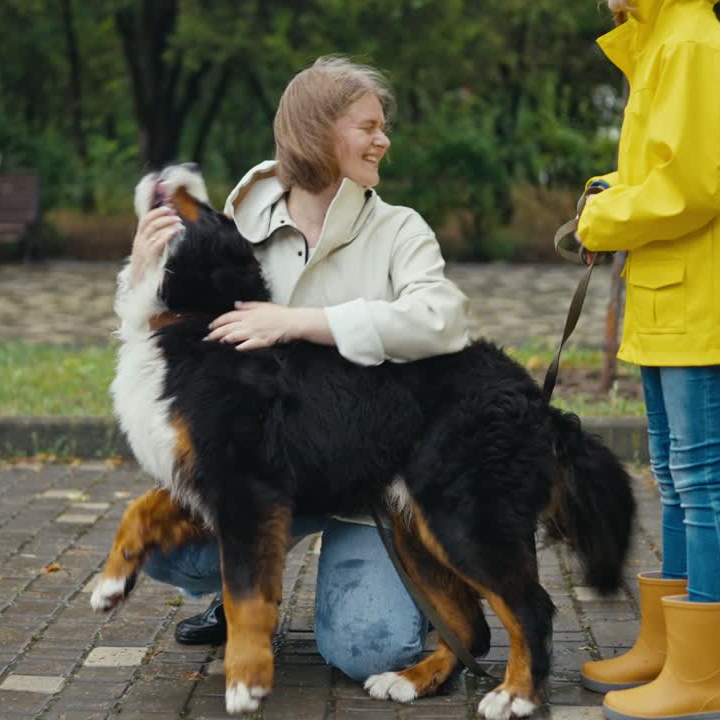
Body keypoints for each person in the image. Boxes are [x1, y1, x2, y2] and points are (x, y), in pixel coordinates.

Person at [125, 56, 469, 682]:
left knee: (371, 651)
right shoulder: (230, 229)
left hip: (363, 484)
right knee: (166, 548)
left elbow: (443, 320)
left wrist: (301, 322)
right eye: (368, 126)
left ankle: (406, 595)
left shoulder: (399, 229)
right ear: (318, 132)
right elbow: (161, 340)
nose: (383, 139)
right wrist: (144, 273)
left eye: (381, 126)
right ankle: (242, 605)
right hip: (264, 473)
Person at [574, 2, 720, 719]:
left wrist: (607, 218)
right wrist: (614, 191)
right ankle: (667, 651)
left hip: (697, 299)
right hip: (673, 298)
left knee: (699, 478)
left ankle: (703, 676)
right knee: (675, 475)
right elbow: (664, 170)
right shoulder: (662, 40)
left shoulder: (692, 43)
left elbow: (691, 186)